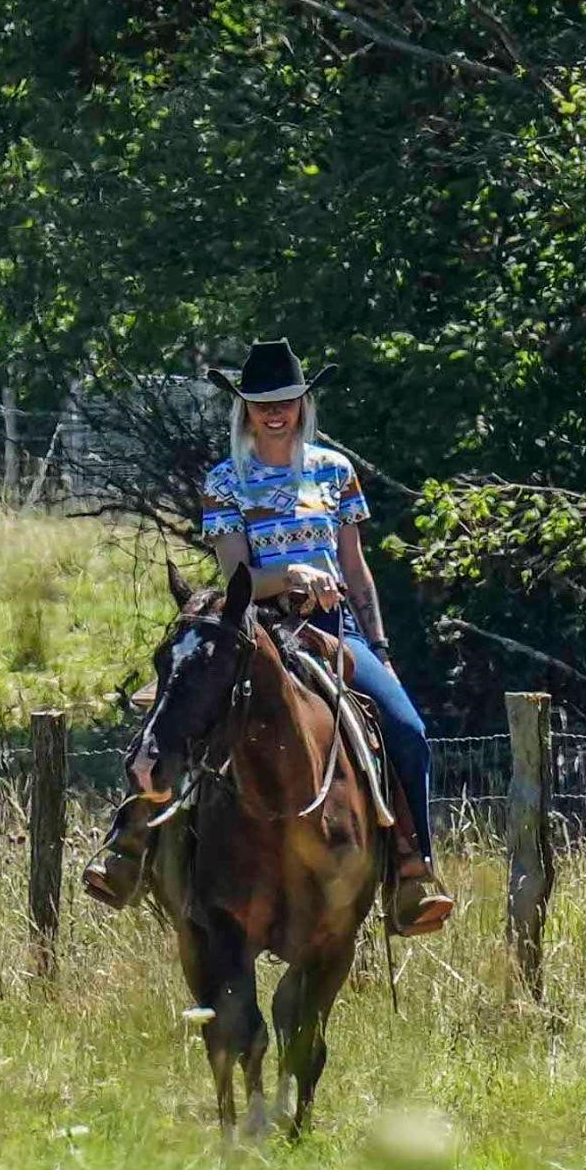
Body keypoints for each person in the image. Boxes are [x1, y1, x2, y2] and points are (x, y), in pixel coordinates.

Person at [200, 340, 453, 936]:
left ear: (303, 402)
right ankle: (134, 850)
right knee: (180, 718)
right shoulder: (225, 482)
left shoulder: (334, 471)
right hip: (258, 633)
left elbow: (355, 566)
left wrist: (379, 646)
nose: (275, 412)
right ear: (244, 408)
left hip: (332, 631)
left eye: (286, 400)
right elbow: (234, 577)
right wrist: (288, 575)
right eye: (262, 403)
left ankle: (412, 869)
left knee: (408, 730)